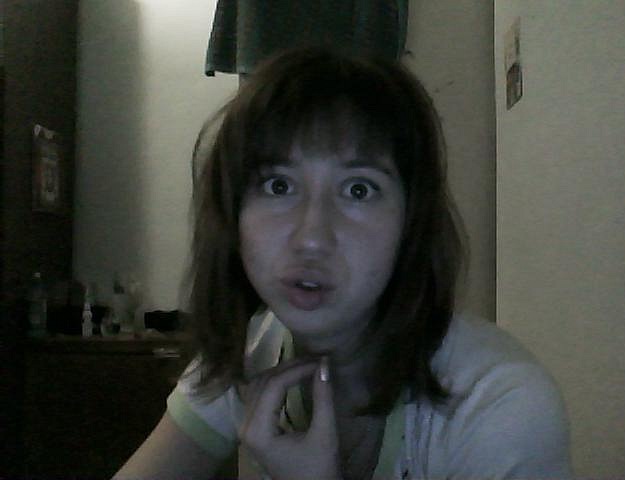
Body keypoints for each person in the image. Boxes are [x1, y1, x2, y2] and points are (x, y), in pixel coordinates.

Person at [114, 47, 572, 480]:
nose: (311, 238)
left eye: (358, 190)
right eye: (278, 185)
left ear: (410, 223)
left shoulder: (502, 405)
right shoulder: (248, 349)